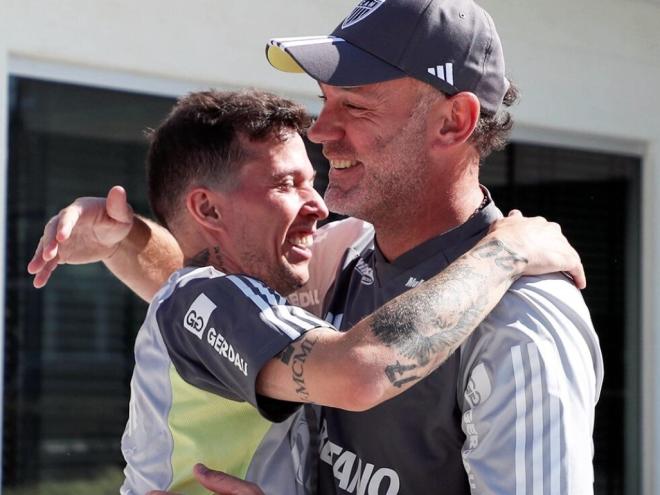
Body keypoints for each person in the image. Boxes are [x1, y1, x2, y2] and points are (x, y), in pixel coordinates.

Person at [29, 1, 603, 493]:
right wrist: (126, 238)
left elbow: (237, 307)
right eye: (324, 100)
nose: (321, 130)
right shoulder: (351, 256)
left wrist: (506, 256)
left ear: (453, 122)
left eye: (354, 105)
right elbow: (211, 286)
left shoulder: (523, 320)